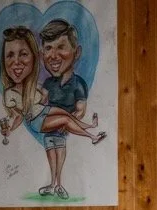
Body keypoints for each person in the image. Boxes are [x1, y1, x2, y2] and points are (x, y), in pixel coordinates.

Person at [0, 26, 103, 151]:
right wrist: (10, 129)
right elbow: (18, 116)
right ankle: (92, 137)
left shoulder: (36, 85)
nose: (16, 62)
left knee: (66, 115)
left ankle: (91, 126)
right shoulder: (10, 94)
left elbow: (44, 100)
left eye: (23, 54)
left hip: (43, 111)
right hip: (36, 120)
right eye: (9, 55)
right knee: (65, 119)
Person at [37, 19, 103, 199]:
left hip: (62, 130)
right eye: (48, 49)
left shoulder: (78, 83)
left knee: (60, 153)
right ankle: (52, 183)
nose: (53, 55)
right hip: (50, 128)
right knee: (51, 154)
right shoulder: (49, 83)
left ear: (77, 52)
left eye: (61, 47)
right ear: (42, 54)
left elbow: (80, 108)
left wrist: (69, 122)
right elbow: (40, 102)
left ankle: (59, 184)